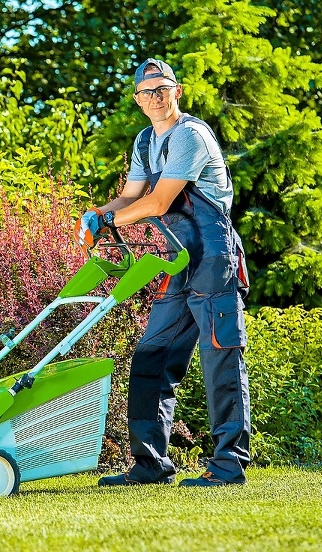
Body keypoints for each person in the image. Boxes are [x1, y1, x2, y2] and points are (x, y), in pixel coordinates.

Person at [76, 58, 251, 487]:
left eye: (161, 89)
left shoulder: (190, 134)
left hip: (214, 259)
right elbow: (131, 196)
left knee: (220, 357)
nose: (153, 97)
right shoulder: (144, 142)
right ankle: (150, 463)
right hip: (178, 259)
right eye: (146, 91)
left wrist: (114, 222)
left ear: (177, 92)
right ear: (137, 100)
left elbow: (156, 204)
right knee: (153, 355)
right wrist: (97, 214)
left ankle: (228, 467)